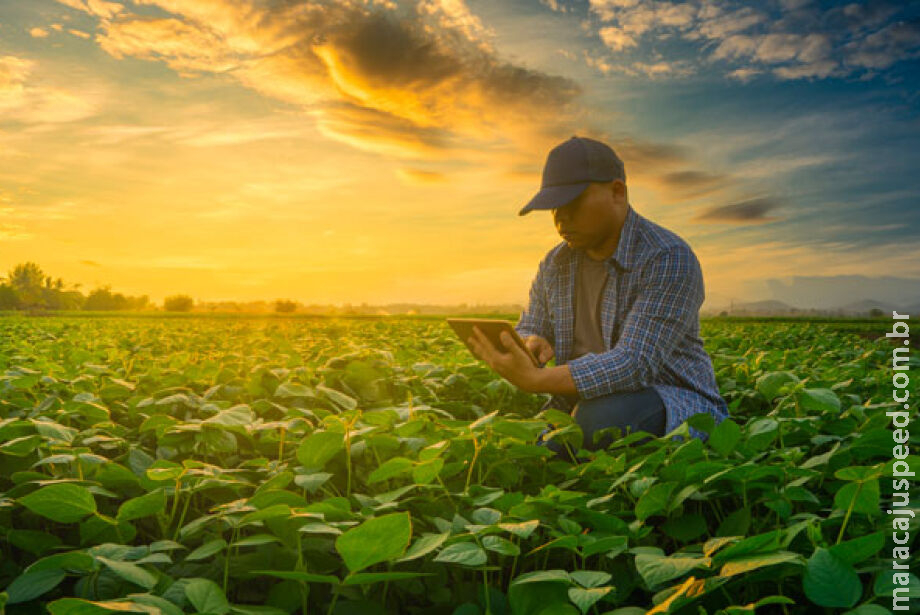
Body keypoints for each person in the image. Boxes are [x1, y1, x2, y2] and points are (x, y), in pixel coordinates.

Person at [466, 135, 729, 462]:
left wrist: (538, 379)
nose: (561, 219)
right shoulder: (555, 263)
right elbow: (531, 324)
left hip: (669, 400)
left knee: (596, 422)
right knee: (512, 444)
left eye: (573, 203)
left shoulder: (667, 257)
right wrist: (530, 342)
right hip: (577, 404)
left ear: (617, 192)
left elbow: (635, 363)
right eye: (554, 208)